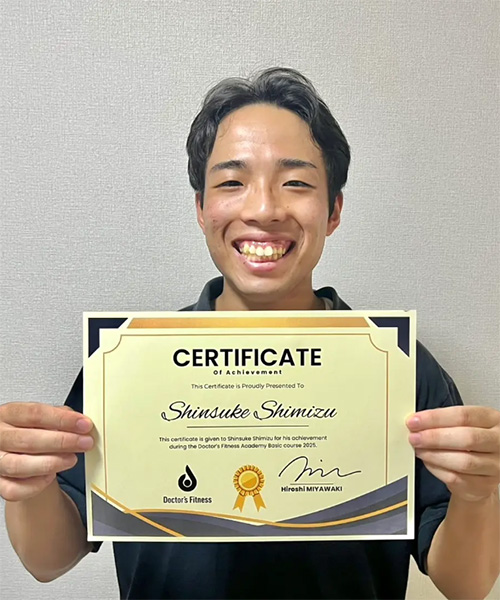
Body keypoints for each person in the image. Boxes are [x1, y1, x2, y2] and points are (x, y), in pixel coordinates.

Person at [1, 68, 499, 600]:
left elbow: (466, 584)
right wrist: (27, 485)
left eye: (296, 182)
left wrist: (479, 496)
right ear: (200, 209)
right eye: (232, 182)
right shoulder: (127, 363)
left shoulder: (396, 367)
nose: (263, 209)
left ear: (333, 210)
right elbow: (49, 560)